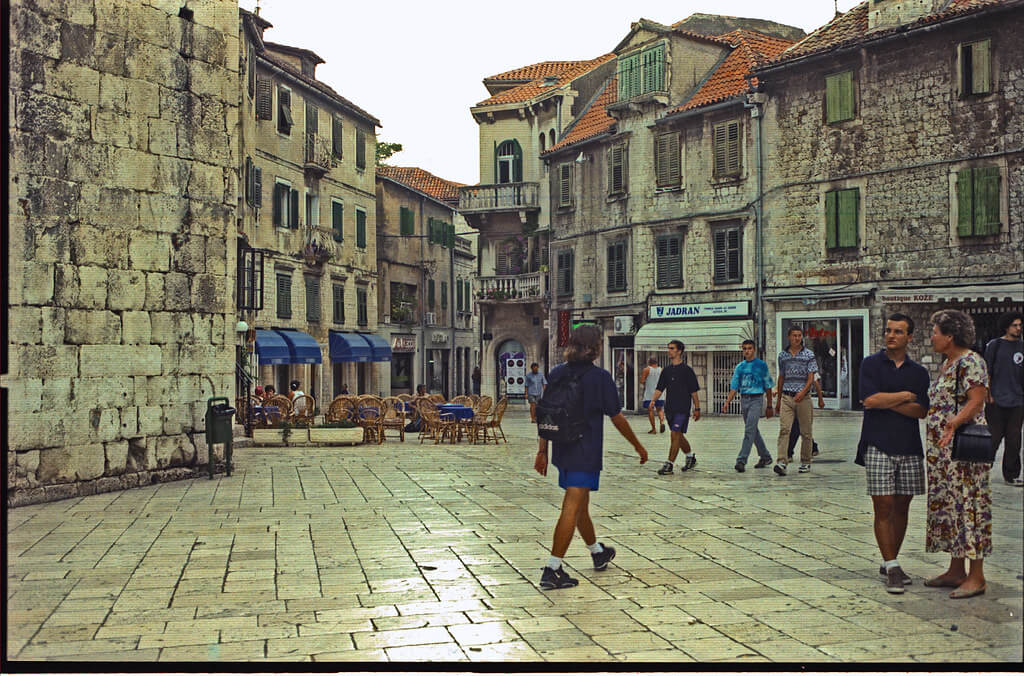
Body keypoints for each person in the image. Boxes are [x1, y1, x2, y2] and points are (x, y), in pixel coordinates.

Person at [534, 325, 648, 590]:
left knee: (580, 505)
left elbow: (546, 412)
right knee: (572, 507)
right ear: (595, 348)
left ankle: (597, 552)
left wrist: (542, 451)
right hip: (585, 451)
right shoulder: (600, 378)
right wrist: (638, 446)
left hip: (562, 449)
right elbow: (617, 417)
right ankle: (552, 569)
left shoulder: (557, 373)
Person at [857, 314, 930, 594]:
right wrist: (904, 396)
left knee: (902, 506)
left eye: (898, 332)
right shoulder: (870, 364)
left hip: (909, 445)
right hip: (877, 443)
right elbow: (869, 400)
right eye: (888, 330)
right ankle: (892, 566)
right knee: (884, 505)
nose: (891, 335)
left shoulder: (919, 373)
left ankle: (890, 561)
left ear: (909, 337)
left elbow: (921, 411)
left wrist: (886, 400)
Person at [923, 309, 990, 599]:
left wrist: (954, 422)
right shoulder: (949, 363)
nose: (932, 337)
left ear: (950, 336)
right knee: (951, 506)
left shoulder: (971, 361)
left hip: (963, 451)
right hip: (944, 453)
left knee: (969, 506)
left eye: (935, 332)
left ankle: (977, 576)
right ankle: (955, 569)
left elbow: (977, 400)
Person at [722, 339, 775, 472]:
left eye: (749, 348)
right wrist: (727, 402)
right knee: (753, 430)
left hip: (756, 399)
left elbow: (768, 386)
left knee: (749, 430)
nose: (747, 351)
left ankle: (741, 460)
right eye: (744, 348)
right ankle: (765, 456)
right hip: (744, 399)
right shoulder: (740, 367)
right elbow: (734, 387)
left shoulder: (761, 365)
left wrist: (769, 406)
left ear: (754, 350)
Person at [983, 312, 1023, 486]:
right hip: (997, 401)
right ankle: (982, 471)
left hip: (1017, 401)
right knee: (993, 439)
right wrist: (988, 394)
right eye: (1015, 325)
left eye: (1020, 325)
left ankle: (1011, 475)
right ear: (1006, 326)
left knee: (1014, 440)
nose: (1018, 328)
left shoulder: (1022, 347)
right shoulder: (995, 345)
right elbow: (987, 372)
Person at [650, 340, 701, 475]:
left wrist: (697, 409)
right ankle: (690, 457)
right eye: (669, 348)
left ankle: (669, 464)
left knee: (675, 434)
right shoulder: (666, 371)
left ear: (679, 351)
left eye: (672, 348)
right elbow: (660, 388)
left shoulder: (687, 371)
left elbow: (694, 392)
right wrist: (653, 400)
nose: (669, 351)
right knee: (678, 435)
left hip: (682, 408)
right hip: (670, 408)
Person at [774, 326, 819, 476]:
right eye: (794, 335)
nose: (797, 338)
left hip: (803, 398)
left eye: (799, 335)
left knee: (806, 432)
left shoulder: (809, 355)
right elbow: (781, 377)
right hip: (787, 397)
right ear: (789, 337)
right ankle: (782, 461)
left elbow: (811, 378)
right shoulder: (783, 356)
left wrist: (803, 392)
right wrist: (778, 400)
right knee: (784, 429)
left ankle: (806, 461)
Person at [786, 372, 825, 460]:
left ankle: (789, 453)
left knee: (797, 427)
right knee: (798, 427)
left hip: (803, 400)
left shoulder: (808, 367)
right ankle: (812, 447)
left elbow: (816, 384)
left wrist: (820, 399)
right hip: (790, 400)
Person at [640, 357, 666, 435]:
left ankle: (654, 429)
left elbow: (642, 381)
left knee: (650, 410)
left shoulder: (646, 370)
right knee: (660, 409)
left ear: (649, 362)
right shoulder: (661, 369)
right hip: (659, 393)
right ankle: (662, 422)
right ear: (656, 362)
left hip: (650, 393)